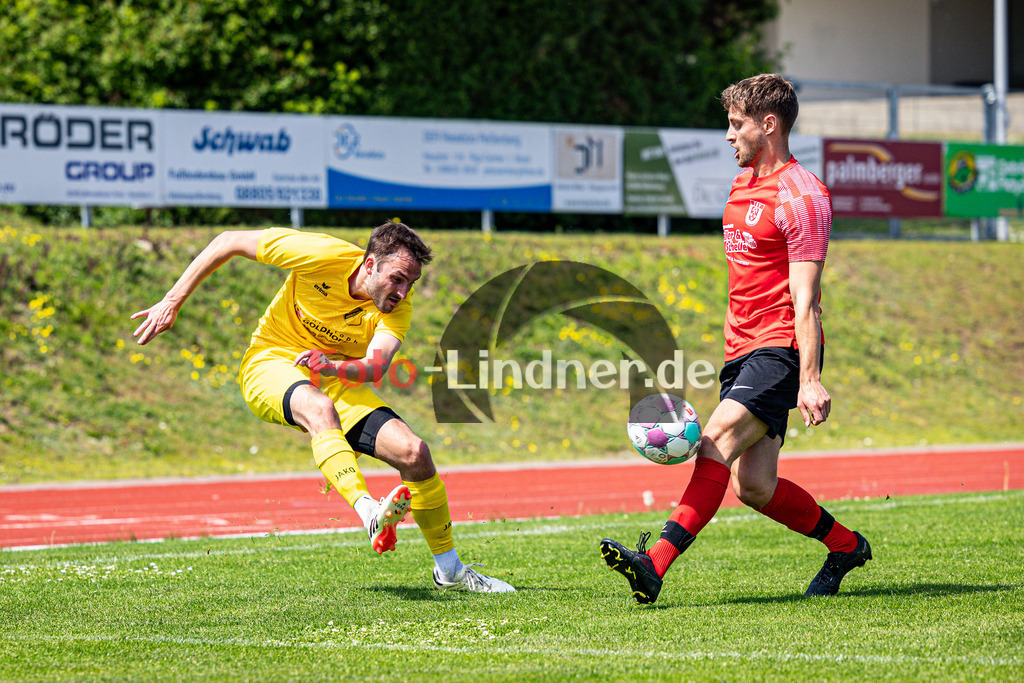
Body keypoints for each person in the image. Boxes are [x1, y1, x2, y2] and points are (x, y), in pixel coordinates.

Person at [600, 74, 870, 604]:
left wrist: (810, 379)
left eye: (736, 123)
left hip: (780, 348)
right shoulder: (742, 183)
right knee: (755, 487)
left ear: (768, 125)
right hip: (741, 350)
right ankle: (847, 547)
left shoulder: (803, 196)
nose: (728, 135)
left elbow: (806, 298)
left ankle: (654, 564)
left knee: (713, 442)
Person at [132, 221, 514, 593]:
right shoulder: (321, 254)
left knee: (415, 453)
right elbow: (228, 240)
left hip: (334, 375)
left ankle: (450, 571)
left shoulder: (397, 308)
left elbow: (376, 366)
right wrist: (171, 301)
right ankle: (369, 514)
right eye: (397, 278)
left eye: (411, 282)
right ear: (369, 264)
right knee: (319, 408)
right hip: (270, 362)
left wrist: (335, 367)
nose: (402, 291)